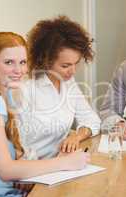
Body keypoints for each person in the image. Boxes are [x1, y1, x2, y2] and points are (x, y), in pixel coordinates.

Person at [0, 32, 90, 197]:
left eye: (23, 62)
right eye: (9, 62)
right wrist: (65, 163)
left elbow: (13, 161)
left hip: (11, 194)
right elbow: (6, 170)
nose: (19, 70)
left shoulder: (5, 96)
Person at [16, 16, 101, 159]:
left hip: (59, 163)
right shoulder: (25, 88)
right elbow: (17, 145)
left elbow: (92, 120)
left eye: (76, 63)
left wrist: (76, 137)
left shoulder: (68, 82)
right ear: (45, 61)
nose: (73, 71)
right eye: (65, 66)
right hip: (32, 171)